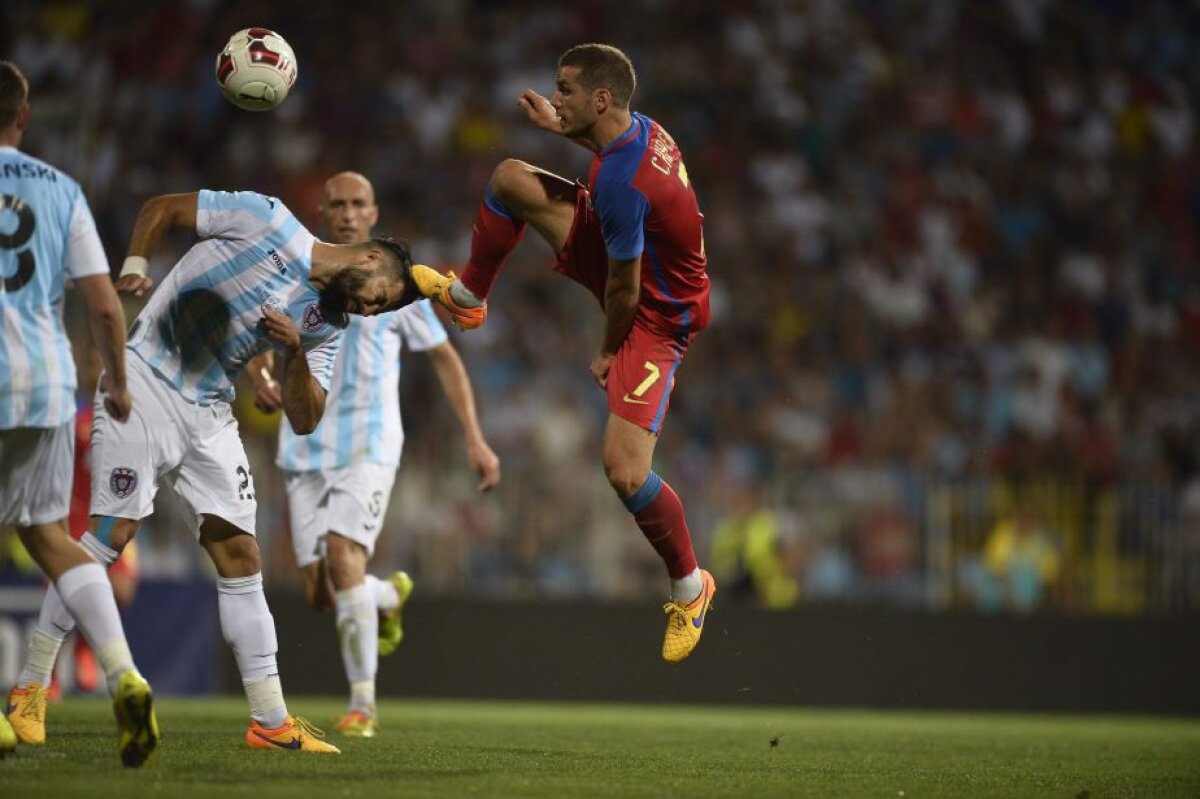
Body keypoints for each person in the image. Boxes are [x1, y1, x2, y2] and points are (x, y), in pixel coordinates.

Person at [8, 177, 421, 754]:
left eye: (378, 310)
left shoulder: (327, 324)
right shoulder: (266, 218)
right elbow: (161, 207)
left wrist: (294, 352)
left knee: (241, 554)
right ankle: (29, 688)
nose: (368, 309)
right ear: (371, 259)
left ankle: (270, 720)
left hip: (209, 409)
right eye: (377, 297)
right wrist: (137, 264)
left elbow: (306, 418)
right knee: (110, 536)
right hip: (145, 381)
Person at [412, 43, 716, 662]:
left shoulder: (622, 182)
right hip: (633, 270)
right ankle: (469, 297)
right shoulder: (640, 131)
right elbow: (615, 175)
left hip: (659, 317)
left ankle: (690, 587)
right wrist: (563, 130)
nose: (556, 99)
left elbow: (623, 291)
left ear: (601, 98)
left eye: (566, 90)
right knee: (510, 178)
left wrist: (607, 351)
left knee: (624, 470)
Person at [247, 171, 501, 737]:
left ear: (373, 212)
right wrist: (261, 374)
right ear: (322, 213)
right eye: (337, 204)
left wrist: (474, 437)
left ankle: (362, 704)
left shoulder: (398, 287)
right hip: (305, 445)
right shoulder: (298, 273)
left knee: (343, 560)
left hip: (369, 442)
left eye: (357, 203)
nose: (347, 213)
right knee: (321, 593)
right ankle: (385, 596)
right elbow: (257, 332)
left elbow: (445, 358)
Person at [0, 60, 159, 767]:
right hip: (46, 383)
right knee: (51, 538)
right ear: (23, 117)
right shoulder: (61, 189)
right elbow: (102, 303)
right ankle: (124, 672)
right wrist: (117, 381)